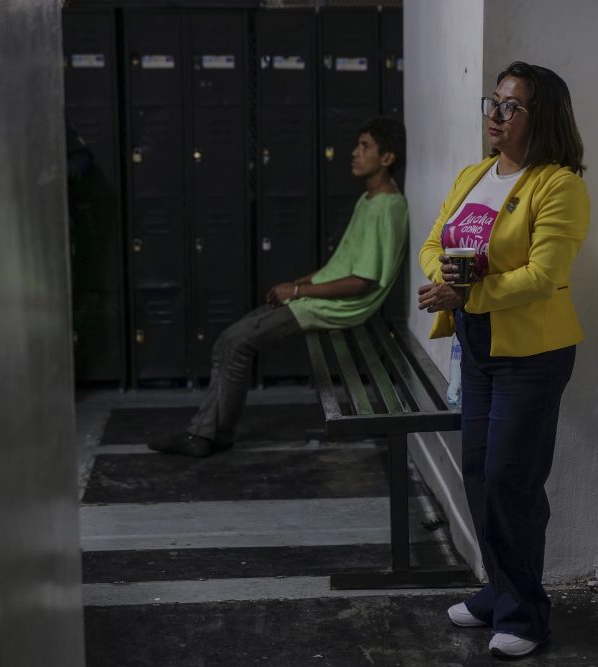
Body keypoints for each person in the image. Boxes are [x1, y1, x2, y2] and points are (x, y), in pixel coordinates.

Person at [416, 62, 589, 658]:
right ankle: (500, 589)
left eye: (512, 106)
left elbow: (546, 275)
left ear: (540, 119)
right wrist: (447, 282)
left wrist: (469, 292)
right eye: (494, 102)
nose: (496, 114)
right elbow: (434, 242)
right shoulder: (474, 174)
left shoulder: (558, 184)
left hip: (533, 352)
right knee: (480, 477)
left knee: (512, 481)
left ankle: (525, 615)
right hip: (478, 343)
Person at [151, 117, 409, 457]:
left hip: (335, 309)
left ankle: (205, 435)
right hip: (317, 301)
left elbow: (361, 282)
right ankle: (209, 432)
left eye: (365, 147)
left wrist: (299, 293)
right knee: (229, 343)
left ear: (387, 159)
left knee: (235, 343)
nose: (354, 153)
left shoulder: (386, 208)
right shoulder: (369, 200)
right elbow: (341, 267)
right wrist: (296, 284)